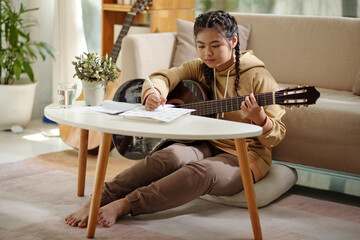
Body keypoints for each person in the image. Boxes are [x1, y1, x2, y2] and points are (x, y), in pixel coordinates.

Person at [65, 10, 286, 228]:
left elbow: (276, 136)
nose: (207, 53)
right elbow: (161, 77)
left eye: (215, 45)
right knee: (168, 156)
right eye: (201, 46)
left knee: (201, 172)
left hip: (245, 156)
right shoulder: (202, 68)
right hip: (207, 143)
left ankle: (125, 205)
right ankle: (98, 199)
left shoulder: (258, 76)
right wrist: (154, 93)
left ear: (233, 41)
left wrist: (261, 119)